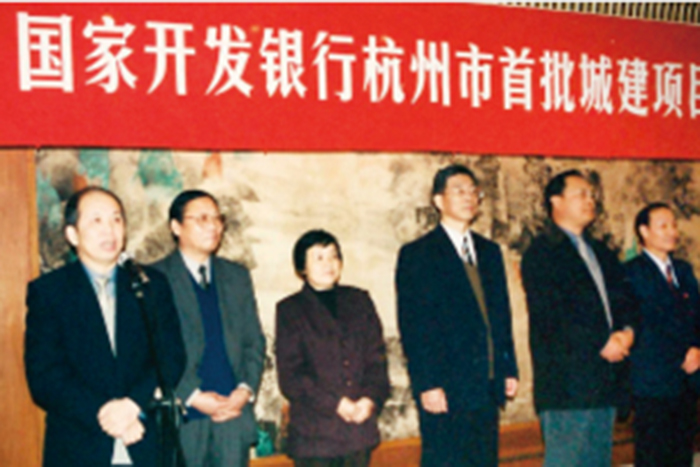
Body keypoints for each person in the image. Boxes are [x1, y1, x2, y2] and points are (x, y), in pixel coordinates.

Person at [24, 186, 186, 467]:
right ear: (72, 234)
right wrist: (108, 416)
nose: (109, 230)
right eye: (96, 220)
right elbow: (45, 377)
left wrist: (133, 405)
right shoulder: (49, 292)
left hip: (147, 440)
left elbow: (171, 355)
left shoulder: (149, 284)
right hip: (79, 445)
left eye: (116, 219)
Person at [395, 164, 519, 467]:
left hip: (486, 384)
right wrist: (427, 383)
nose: (468, 197)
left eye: (473, 191)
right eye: (459, 191)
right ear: (439, 201)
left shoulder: (489, 252)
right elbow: (414, 326)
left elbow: (501, 317)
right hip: (446, 387)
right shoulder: (418, 254)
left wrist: (508, 367)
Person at [521, 169, 635, 467]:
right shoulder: (542, 253)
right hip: (568, 387)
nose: (590, 200)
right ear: (556, 201)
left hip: (605, 381)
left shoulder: (601, 251)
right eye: (581, 194)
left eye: (592, 195)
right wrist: (601, 342)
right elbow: (552, 317)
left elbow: (625, 300)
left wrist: (627, 332)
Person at [151, 189, 265, 467]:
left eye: (217, 218)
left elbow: (254, 342)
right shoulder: (155, 278)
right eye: (202, 218)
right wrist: (192, 396)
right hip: (184, 419)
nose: (213, 226)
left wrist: (244, 390)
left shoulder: (237, 276)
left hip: (233, 418)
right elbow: (152, 350)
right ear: (176, 227)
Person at [275, 229, 390, 467]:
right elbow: (291, 377)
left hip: (358, 432)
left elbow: (377, 360)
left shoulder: (359, 300)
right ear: (302, 267)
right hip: (314, 437)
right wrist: (337, 403)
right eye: (319, 257)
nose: (328, 263)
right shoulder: (290, 310)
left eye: (333, 256)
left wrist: (369, 400)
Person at [625, 203, 700, 467]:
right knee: (654, 456)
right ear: (644, 231)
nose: (672, 232)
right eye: (663, 226)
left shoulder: (683, 270)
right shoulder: (632, 272)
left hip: (687, 382)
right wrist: (678, 355)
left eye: (674, 225)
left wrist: (696, 348)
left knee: (682, 455)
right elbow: (643, 325)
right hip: (653, 383)